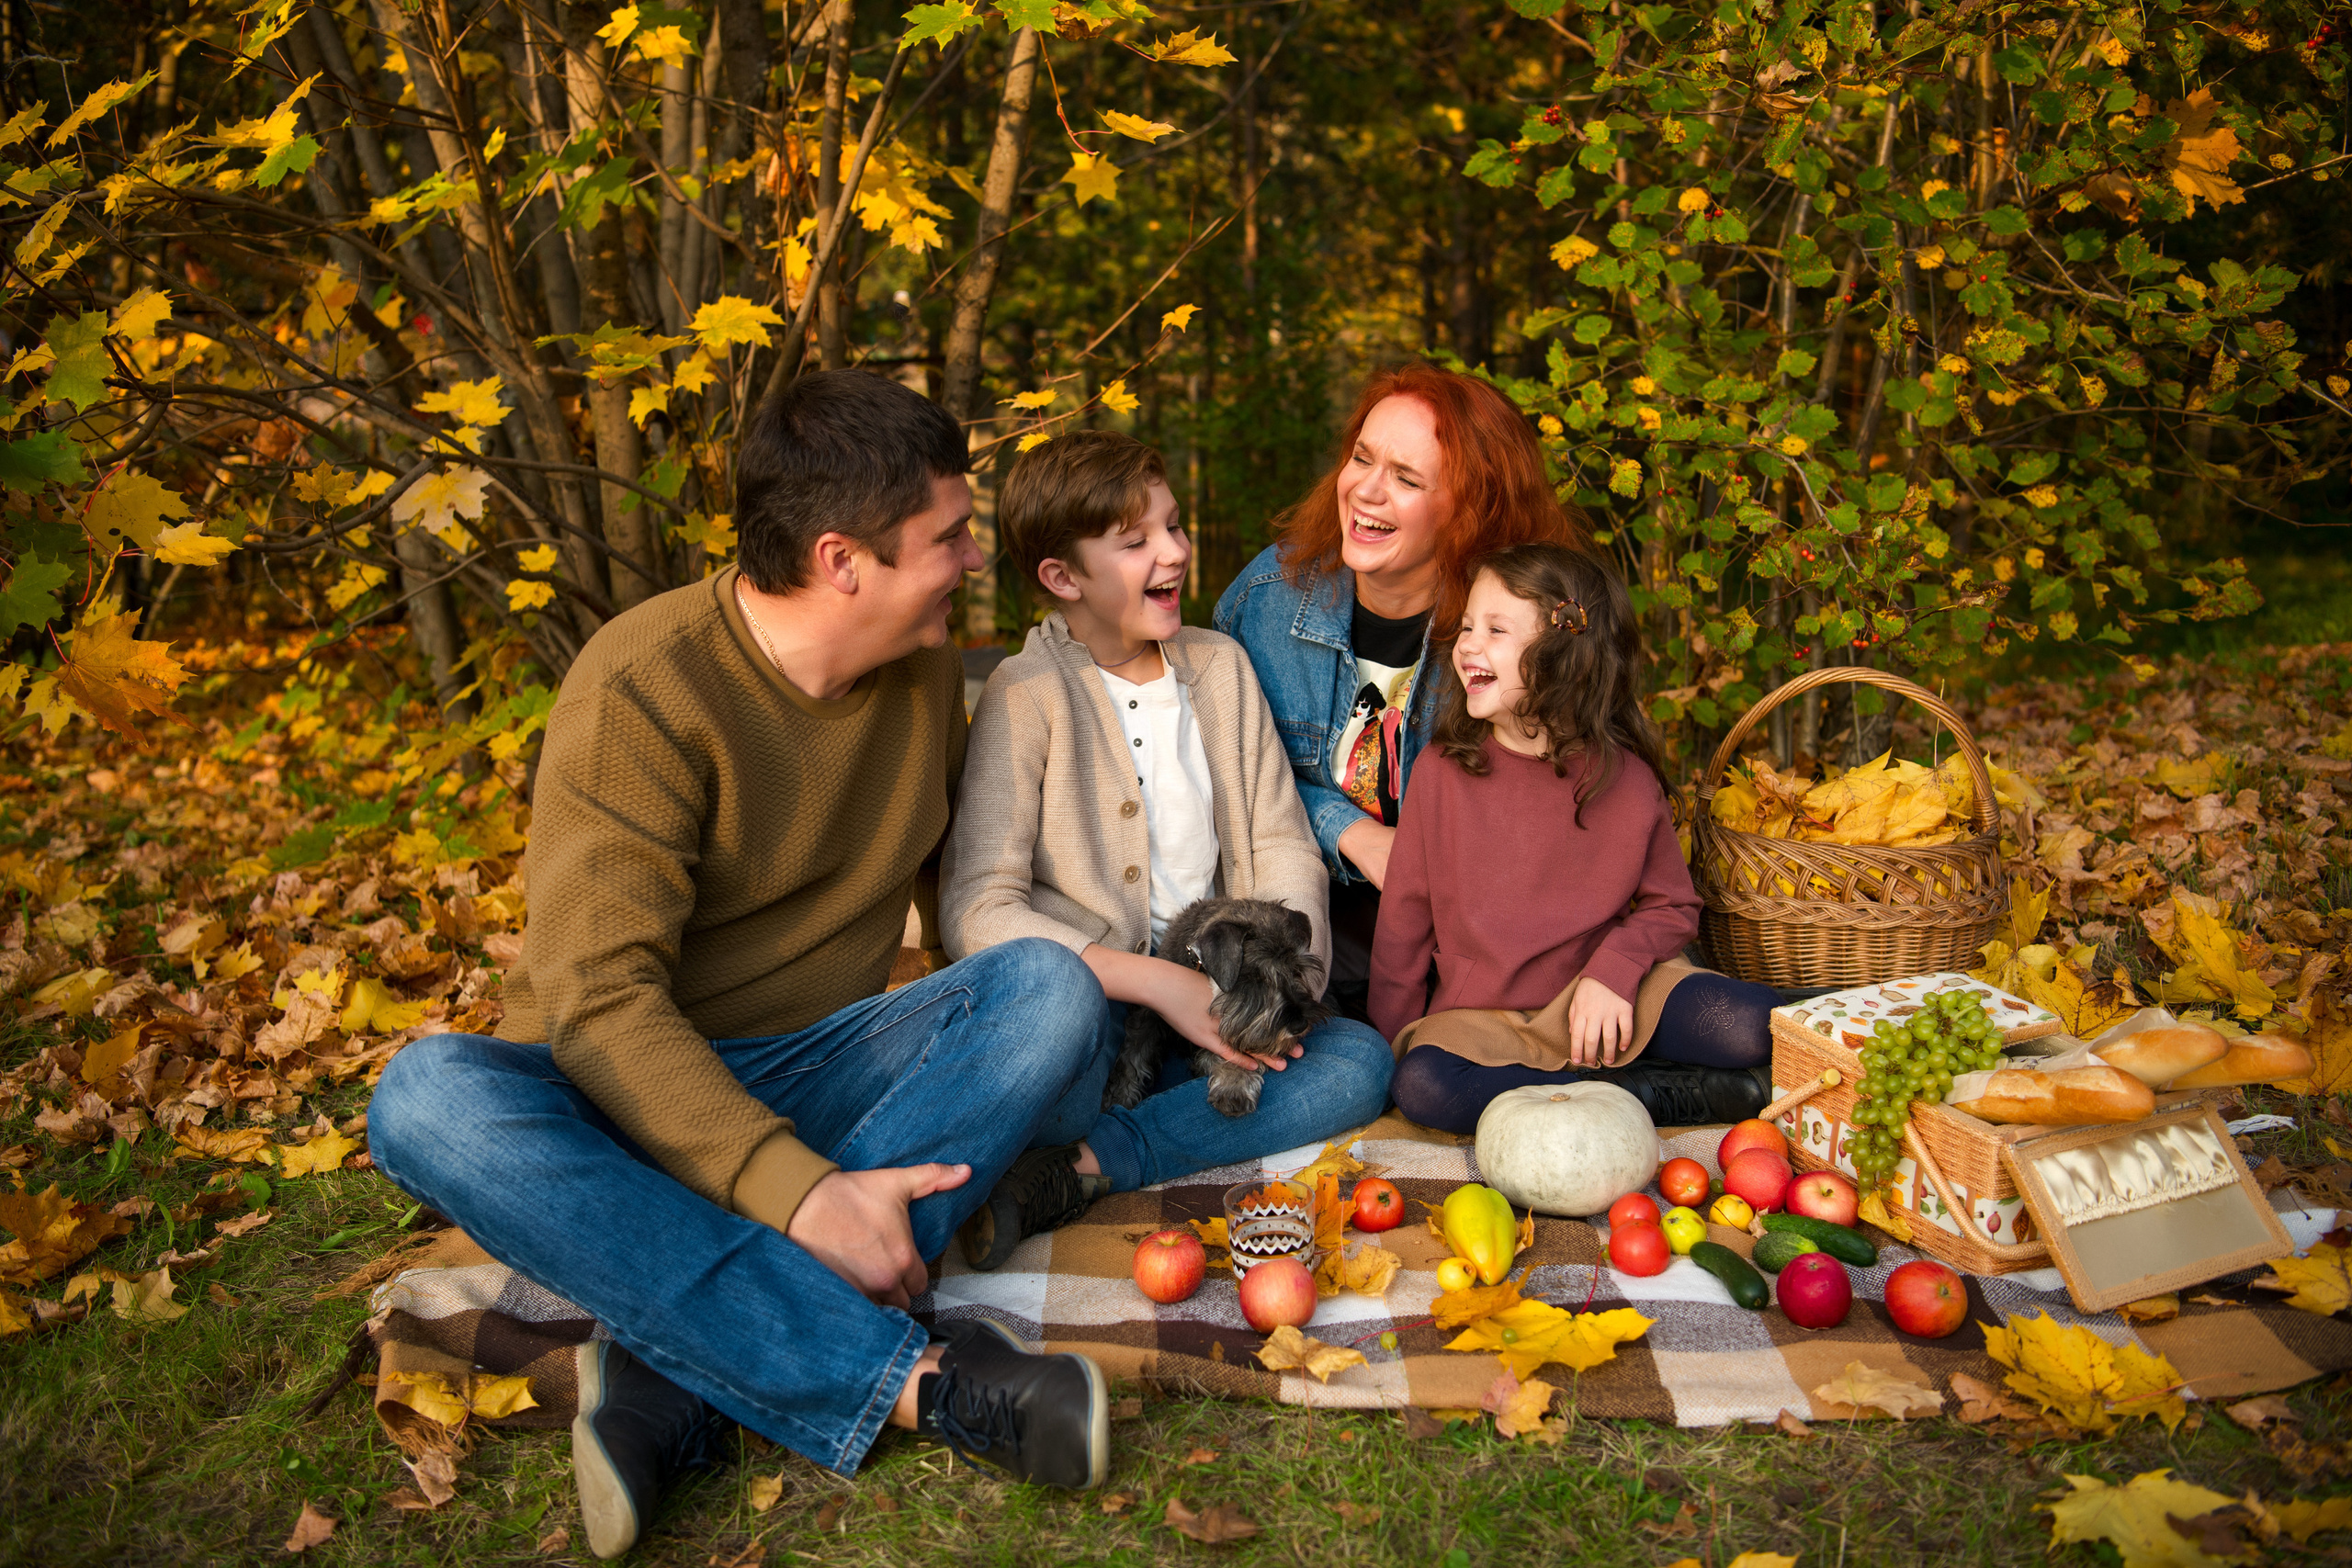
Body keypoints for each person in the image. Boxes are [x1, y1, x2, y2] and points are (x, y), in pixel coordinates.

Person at [368, 372, 1114, 1562]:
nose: (974, 560)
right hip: (617, 1100)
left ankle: (677, 1367)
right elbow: (601, 1012)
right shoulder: (642, 688)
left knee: (1050, 989)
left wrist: (1079, 1024)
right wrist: (804, 1192)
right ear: (842, 560)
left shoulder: (924, 669)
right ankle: (910, 1379)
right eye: (948, 537)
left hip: (816, 1067)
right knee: (425, 1098)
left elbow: (962, 903)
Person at [941, 432, 1392, 1266]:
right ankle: (1114, 1130)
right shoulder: (1024, 694)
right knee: (1057, 1085)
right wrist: (1150, 981)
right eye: (1136, 540)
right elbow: (977, 907)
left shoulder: (1218, 668)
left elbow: (1280, 844)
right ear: (1061, 577)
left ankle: (1093, 1163)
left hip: (1226, 995)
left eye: (1175, 527)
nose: (1175, 552)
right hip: (1097, 1006)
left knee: (1358, 1062)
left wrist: (1280, 992)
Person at [1213, 363, 1585, 1025]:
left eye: (1407, 479)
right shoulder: (1268, 597)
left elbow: (1565, 797)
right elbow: (1216, 771)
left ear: (1472, 511)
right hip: (1297, 922)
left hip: (1464, 938)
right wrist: (1350, 830)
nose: (1366, 491)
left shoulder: (1515, 637)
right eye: (1362, 458)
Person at [1369, 544, 1777, 1131]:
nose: (1466, 645)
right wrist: (1390, 1052)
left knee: (1747, 1025)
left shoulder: (1626, 780)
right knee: (1426, 1086)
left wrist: (1614, 969)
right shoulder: (1439, 772)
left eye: (1496, 629)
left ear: (1565, 655)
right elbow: (1403, 927)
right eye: (1466, 627)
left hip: (1612, 993)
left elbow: (1674, 906)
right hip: (1484, 1019)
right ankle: (1641, 1091)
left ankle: (1891, 1013)